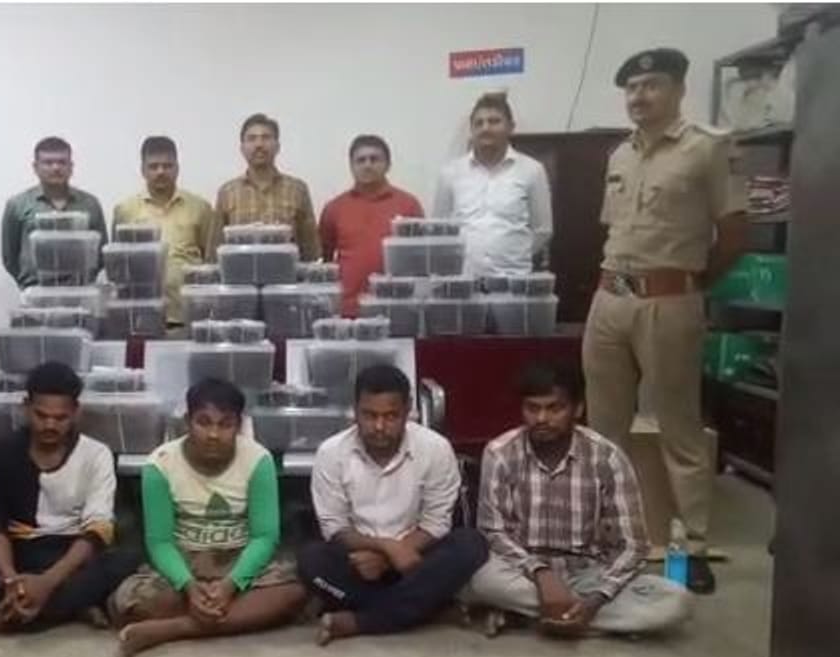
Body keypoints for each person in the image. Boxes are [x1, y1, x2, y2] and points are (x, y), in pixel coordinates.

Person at [582, 48, 748, 595]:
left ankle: (692, 546)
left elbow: (735, 236)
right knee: (604, 428)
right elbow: (613, 231)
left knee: (679, 426)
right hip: (610, 298)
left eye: (651, 84)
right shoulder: (619, 154)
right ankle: (606, 536)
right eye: (632, 88)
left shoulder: (708, 149)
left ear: (678, 89)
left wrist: (691, 285)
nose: (639, 96)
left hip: (670, 302)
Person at [464, 362, 693, 636]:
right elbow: (492, 531)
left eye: (555, 408)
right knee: (482, 581)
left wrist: (598, 598)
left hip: (589, 573)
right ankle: (581, 620)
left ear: (578, 409)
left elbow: (634, 546)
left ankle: (540, 616)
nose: (541, 418)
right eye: (532, 408)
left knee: (675, 600)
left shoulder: (607, 457)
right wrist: (541, 573)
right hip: (522, 571)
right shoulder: (500, 453)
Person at [0, 362, 138, 641]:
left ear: (76, 412)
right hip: (18, 552)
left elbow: (97, 531)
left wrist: (47, 582)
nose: (50, 425)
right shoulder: (0, 451)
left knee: (126, 561)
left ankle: (0, 619)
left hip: (70, 553)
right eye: (41, 415)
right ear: (26, 407)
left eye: (60, 418)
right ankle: (63, 608)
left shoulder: (97, 454)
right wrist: (9, 578)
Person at [110, 378, 307, 657]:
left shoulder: (258, 460)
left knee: (296, 591)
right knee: (130, 599)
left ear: (239, 426)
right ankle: (227, 617)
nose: (214, 434)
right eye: (204, 422)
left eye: (225, 424)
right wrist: (189, 587)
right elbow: (160, 542)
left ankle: (176, 629)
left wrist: (231, 585)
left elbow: (265, 537)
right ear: (187, 422)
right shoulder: (160, 464)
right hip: (184, 562)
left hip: (240, 560)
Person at [297, 365, 487, 644]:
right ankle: (427, 609)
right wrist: (385, 548)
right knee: (310, 560)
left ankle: (361, 621)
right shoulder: (331, 453)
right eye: (369, 415)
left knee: (471, 544)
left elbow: (436, 523)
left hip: (417, 560)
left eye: (390, 416)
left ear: (408, 411)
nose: (379, 427)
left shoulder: (436, 448)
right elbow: (335, 528)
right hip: (358, 562)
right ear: (355, 411)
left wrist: (392, 558)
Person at [432, 93, 553, 278]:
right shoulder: (450, 173)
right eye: (478, 123)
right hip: (462, 280)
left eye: (494, 121)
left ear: (511, 127)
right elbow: (439, 228)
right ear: (472, 130)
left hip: (513, 279)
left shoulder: (532, 170)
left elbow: (543, 229)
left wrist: (514, 256)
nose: (485, 128)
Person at [112, 136, 216, 330]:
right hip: (141, 317)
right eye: (153, 166)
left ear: (177, 168)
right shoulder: (125, 210)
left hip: (188, 317)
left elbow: (210, 261)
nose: (160, 172)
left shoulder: (200, 208)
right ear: (143, 170)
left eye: (167, 166)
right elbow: (118, 267)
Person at [320, 136, 426, 316]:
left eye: (374, 159)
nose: (367, 165)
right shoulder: (334, 208)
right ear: (351, 166)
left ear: (388, 165)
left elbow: (420, 259)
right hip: (348, 309)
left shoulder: (409, 205)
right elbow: (325, 258)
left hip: (396, 306)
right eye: (360, 160)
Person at [0, 136, 108, 288]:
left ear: (71, 167)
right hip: (36, 289)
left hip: (81, 290)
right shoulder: (17, 205)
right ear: (35, 167)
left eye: (62, 162)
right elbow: (10, 257)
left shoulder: (90, 204)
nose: (56, 168)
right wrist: (28, 283)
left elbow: (101, 251)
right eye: (48, 162)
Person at [213, 113, 320, 261]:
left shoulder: (297, 190)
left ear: (277, 146)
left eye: (266, 137)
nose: (259, 144)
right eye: (252, 138)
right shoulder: (227, 192)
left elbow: (310, 250)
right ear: (242, 148)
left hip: (285, 274)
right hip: (239, 274)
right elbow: (215, 252)